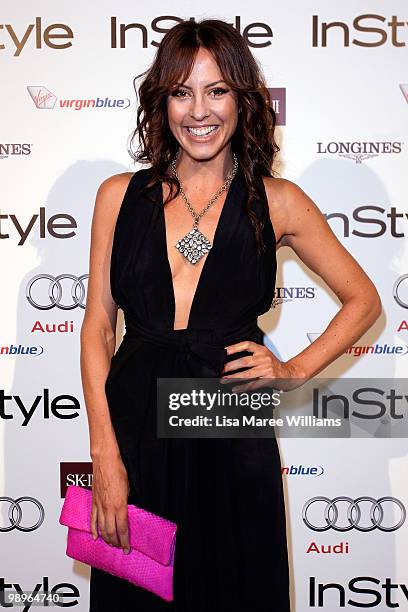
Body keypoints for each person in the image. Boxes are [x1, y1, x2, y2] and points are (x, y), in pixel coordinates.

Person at [80, 18, 382, 612]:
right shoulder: (119, 196)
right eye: (181, 91)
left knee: (236, 590)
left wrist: (293, 371)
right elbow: (96, 324)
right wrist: (105, 457)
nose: (199, 110)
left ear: (243, 100)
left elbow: (364, 299)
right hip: (136, 430)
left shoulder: (279, 201)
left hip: (228, 427)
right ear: (161, 101)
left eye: (216, 90)